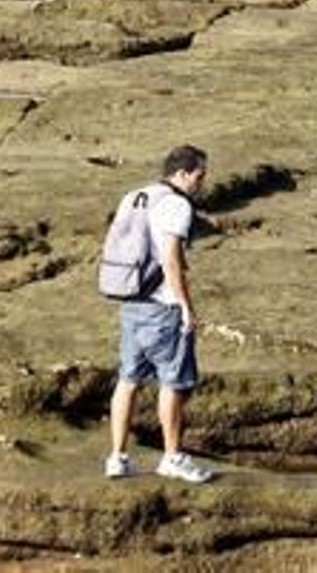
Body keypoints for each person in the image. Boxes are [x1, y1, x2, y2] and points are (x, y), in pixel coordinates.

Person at [105, 144, 214, 483]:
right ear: (182, 173)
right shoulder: (177, 204)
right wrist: (185, 308)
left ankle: (117, 458)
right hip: (162, 307)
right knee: (174, 383)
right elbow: (169, 259)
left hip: (131, 301)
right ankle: (172, 457)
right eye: (199, 175)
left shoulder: (136, 195)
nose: (202, 182)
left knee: (128, 380)